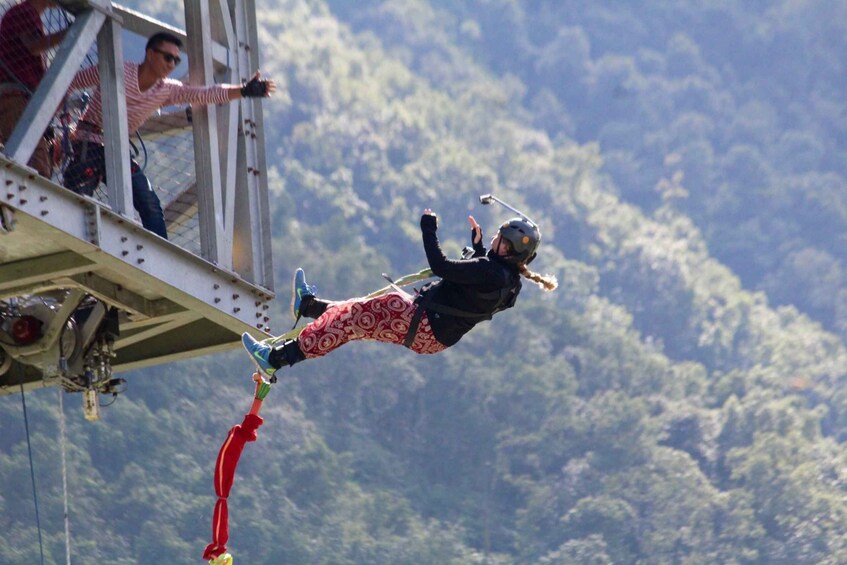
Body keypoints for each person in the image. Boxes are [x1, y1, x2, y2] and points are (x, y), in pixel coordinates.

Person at [241, 209, 559, 380]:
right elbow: (477, 285)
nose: (495, 240)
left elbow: (441, 266)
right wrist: (478, 248)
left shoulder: (491, 271)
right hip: (429, 334)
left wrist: (428, 229)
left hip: (423, 324)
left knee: (357, 318)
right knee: (359, 315)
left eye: (501, 241)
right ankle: (311, 307)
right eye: (498, 236)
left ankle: (277, 358)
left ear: (512, 253)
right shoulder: (507, 279)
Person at [63, 31, 276, 239]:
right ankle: (69, 231)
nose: (171, 64)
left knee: (149, 202)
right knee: (79, 190)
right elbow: (70, 81)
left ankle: (158, 251)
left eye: (176, 60)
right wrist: (58, 123)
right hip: (87, 141)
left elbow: (204, 93)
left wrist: (244, 90)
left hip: (116, 149)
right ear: (150, 53)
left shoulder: (165, 90)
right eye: (167, 57)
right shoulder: (115, 70)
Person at [0, 0, 67, 178]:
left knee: (32, 164)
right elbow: (34, 46)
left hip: (18, 99)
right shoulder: (24, 11)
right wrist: (68, 33)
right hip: (16, 98)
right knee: (36, 169)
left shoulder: (28, 14)